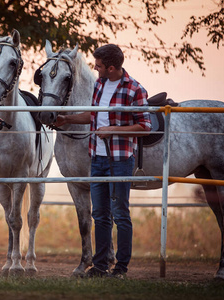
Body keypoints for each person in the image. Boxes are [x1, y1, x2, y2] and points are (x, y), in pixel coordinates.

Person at [54, 44, 151, 279]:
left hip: (119, 159)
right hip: (96, 158)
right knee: (100, 214)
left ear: (111, 67)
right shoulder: (99, 84)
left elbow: (145, 127)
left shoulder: (135, 89)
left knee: (120, 213)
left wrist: (113, 130)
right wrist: (67, 118)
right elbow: (93, 115)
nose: (95, 69)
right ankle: (99, 266)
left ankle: (121, 267)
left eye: (98, 66)